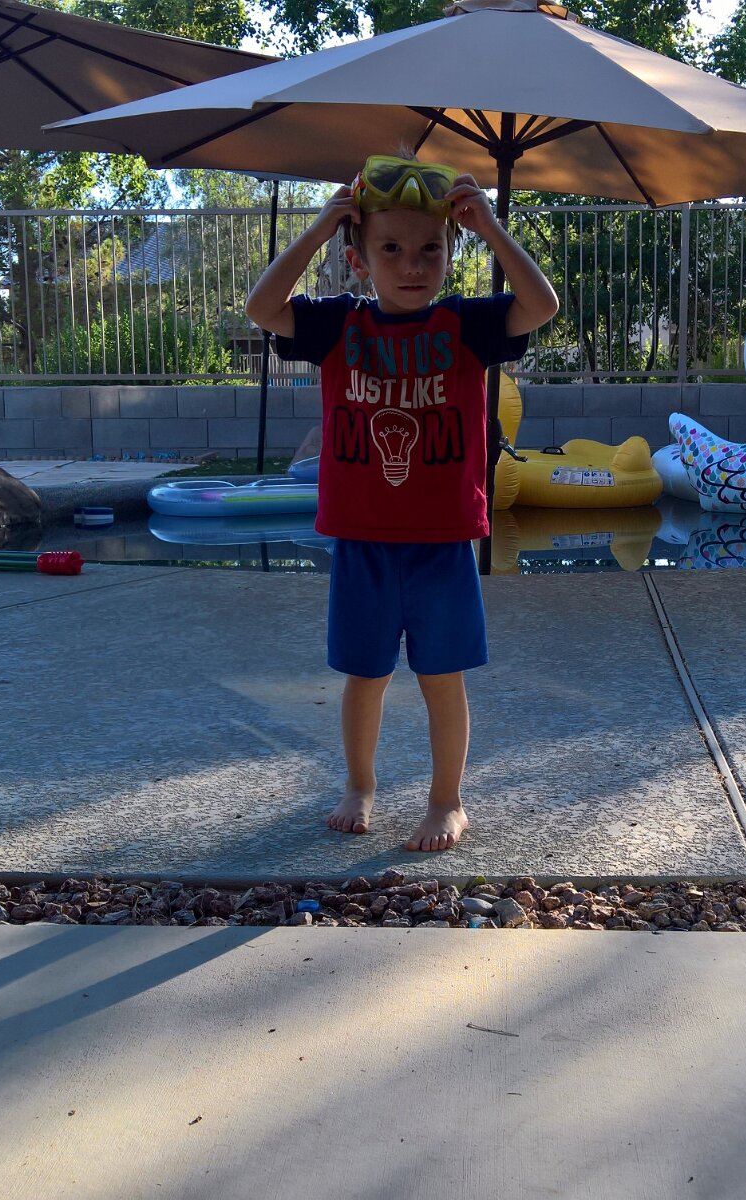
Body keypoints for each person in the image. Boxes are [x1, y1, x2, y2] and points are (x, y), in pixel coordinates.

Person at [245, 154, 558, 852]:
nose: (412, 265)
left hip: (442, 542)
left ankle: (448, 801)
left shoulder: (466, 324)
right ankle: (359, 785)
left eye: (430, 250)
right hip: (362, 541)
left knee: (442, 678)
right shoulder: (338, 325)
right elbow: (262, 308)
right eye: (390, 249)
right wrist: (318, 229)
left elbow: (541, 306)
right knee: (365, 676)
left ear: (449, 254)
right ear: (358, 261)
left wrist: (491, 228)